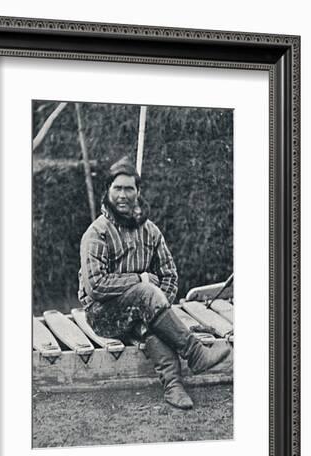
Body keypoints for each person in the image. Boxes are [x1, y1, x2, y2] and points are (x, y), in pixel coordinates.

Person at [78, 156, 231, 410]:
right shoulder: (97, 233)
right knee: (146, 293)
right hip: (102, 315)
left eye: (129, 188)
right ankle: (195, 353)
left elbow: (170, 276)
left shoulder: (151, 231)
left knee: (150, 323)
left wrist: (157, 306)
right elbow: (95, 285)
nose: (123, 195)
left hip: (140, 311)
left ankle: (173, 387)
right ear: (108, 191)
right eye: (117, 188)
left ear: (138, 192)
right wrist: (140, 281)